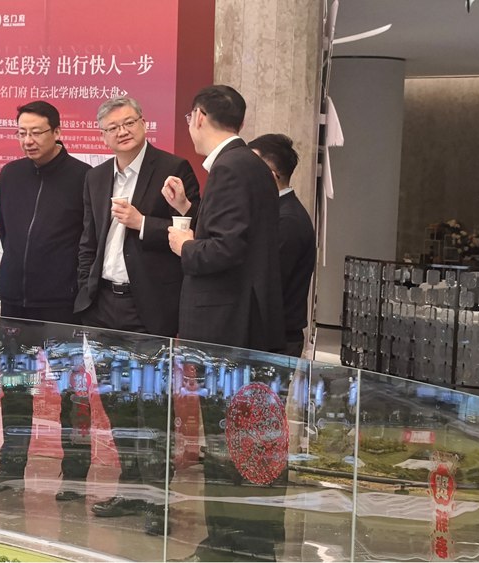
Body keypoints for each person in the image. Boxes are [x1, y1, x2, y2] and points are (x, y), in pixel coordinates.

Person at [162, 85, 286, 560]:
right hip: (241, 324)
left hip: (227, 329)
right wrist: (189, 213)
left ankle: (228, 543)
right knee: (241, 439)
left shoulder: (231, 167)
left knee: (227, 441)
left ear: (198, 116)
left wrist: (186, 246)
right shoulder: (247, 165)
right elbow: (239, 236)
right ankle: (241, 541)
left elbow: (227, 249)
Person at [74, 96, 200, 528]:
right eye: (113, 127)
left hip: (147, 308)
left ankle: (157, 501)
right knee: (117, 403)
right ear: (103, 136)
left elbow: (196, 228)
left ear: (144, 124)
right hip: (102, 306)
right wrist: (85, 291)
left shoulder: (173, 169)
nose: (123, 131)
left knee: (153, 406)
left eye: (129, 122)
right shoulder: (95, 177)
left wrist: (143, 222)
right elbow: (88, 240)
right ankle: (130, 490)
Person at [0, 101, 93, 500]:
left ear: (57, 132)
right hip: (15, 302)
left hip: (62, 305)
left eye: (36, 132)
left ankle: (75, 476)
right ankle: (10, 470)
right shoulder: (10, 175)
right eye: (21, 132)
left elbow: (88, 242)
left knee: (72, 392)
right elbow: (6, 232)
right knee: (15, 388)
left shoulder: (83, 178)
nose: (28, 140)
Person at [248, 133, 316, 358]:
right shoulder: (277, 212)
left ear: (270, 175)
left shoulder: (287, 220)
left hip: (277, 340)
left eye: (250, 168)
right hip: (271, 335)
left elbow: (267, 281)